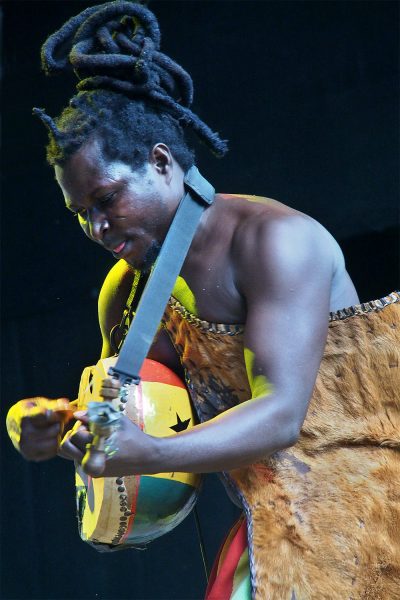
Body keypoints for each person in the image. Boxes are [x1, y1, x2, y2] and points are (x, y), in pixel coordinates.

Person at [6, 2, 400, 599]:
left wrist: (150, 452)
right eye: (80, 214)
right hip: (272, 529)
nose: (96, 228)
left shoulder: (276, 241)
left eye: (107, 199)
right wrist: (58, 424)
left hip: (377, 516)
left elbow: (281, 414)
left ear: (160, 163)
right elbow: (137, 418)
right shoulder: (126, 294)